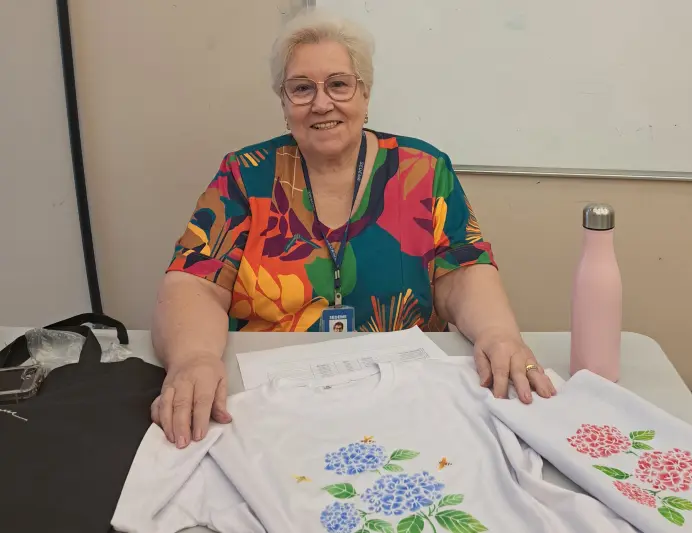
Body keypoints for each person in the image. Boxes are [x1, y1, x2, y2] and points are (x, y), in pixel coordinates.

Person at [150, 9, 555, 448]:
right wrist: (193, 357)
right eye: (301, 88)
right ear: (284, 103)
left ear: (365, 92)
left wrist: (497, 332)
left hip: (405, 397)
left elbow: (462, 271)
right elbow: (195, 281)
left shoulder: (423, 170)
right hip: (269, 404)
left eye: (339, 84)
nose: (321, 103)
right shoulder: (245, 174)